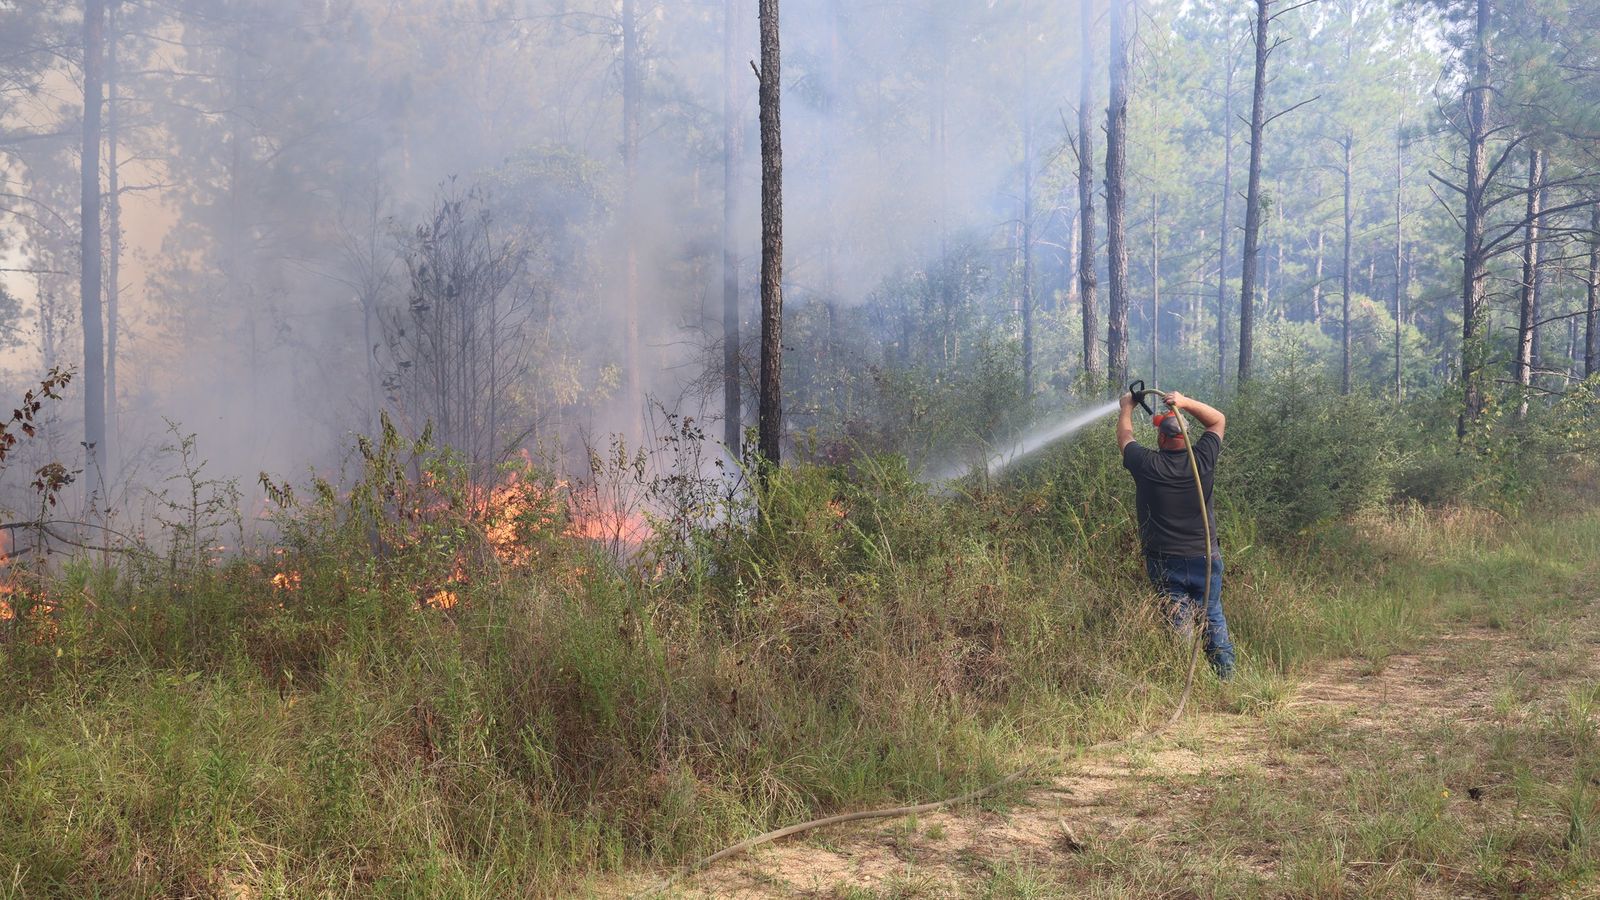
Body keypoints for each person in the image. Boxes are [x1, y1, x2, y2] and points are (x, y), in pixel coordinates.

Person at [1117, 389, 1235, 679]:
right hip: (1205, 556)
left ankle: (1183, 677)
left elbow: (1125, 437)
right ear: (1186, 435)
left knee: (1176, 619)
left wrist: (1126, 407)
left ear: (1161, 438)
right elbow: (1217, 420)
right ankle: (1226, 676)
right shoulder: (1203, 459)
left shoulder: (1147, 464)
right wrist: (1184, 402)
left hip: (1165, 560)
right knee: (1212, 614)